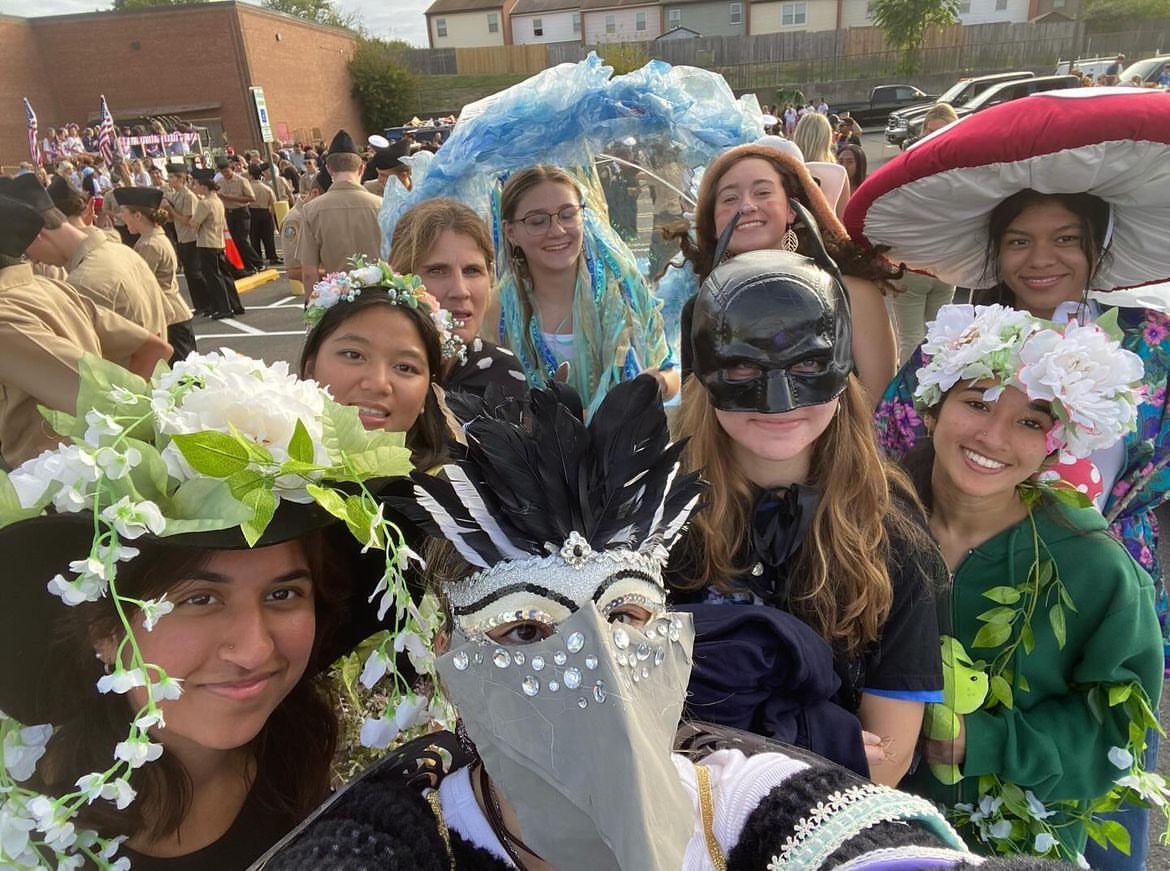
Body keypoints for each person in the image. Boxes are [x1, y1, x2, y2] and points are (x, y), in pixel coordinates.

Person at [254, 375, 1072, 871]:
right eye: (526, 630)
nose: (600, 666)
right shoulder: (398, 828)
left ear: (675, 635)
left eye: (628, 614)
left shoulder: (749, 796)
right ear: (447, 653)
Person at [847, 87, 1170, 869]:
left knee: (1085, 793)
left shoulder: (1153, 343)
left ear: (1098, 245)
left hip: (1089, 583)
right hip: (952, 576)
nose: (1042, 258)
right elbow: (891, 443)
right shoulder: (956, 345)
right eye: (1019, 241)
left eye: (1064, 238)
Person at [0, 348, 420, 869]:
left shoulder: (328, 770)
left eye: (283, 594)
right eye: (200, 599)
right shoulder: (26, 825)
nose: (255, 649)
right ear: (102, 629)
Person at [671, 248, 944, 787]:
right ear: (704, 370)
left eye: (808, 365)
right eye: (743, 366)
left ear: (842, 369)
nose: (778, 402)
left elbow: (885, 761)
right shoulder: (656, 517)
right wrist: (812, 737)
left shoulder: (892, 531)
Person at [901, 303, 1163, 862]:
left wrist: (985, 741)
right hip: (859, 827)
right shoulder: (866, 527)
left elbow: (1120, 730)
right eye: (976, 403)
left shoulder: (1094, 567)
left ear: (1058, 441)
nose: (994, 438)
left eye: (1030, 421)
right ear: (932, 409)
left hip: (1018, 847)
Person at [672, 143, 899, 407]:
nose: (746, 206)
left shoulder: (851, 295)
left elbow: (878, 411)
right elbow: (697, 415)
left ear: (792, 208)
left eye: (762, 192)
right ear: (712, 223)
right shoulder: (701, 309)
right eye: (729, 198)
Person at [0, 195, 171, 466]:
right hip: (86, 473)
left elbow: (100, 396)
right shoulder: (53, 288)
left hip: (52, 483)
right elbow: (154, 348)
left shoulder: (6, 317)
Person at [495, 164, 677, 419]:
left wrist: (655, 385)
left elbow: (668, 370)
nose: (557, 230)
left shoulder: (625, 289)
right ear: (510, 231)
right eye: (537, 221)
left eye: (567, 214)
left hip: (630, 449)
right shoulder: (498, 309)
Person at [298, 259, 460, 471]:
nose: (378, 384)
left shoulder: (453, 495)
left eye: (405, 367)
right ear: (310, 370)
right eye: (353, 355)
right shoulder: (261, 469)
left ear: (428, 392)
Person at [1, 172, 170, 340]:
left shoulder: (82, 283)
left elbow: (91, 356)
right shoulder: (121, 250)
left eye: (27, 251)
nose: (35, 260)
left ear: (38, 234)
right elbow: (167, 314)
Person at [388, 197, 528, 399]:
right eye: (437, 271)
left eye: (472, 270)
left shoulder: (502, 373)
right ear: (400, 278)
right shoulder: (372, 371)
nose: (461, 291)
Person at [117, 186, 198, 362]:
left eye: (123, 212)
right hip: (173, 313)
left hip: (169, 316)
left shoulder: (149, 245)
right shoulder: (152, 238)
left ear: (138, 215)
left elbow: (140, 284)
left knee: (182, 377)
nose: (120, 217)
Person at [298, 130, 383, 284]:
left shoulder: (311, 210)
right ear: (362, 168)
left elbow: (310, 272)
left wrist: (313, 305)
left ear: (329, 169)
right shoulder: (381, 205)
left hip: (337, 297)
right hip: (379, 296)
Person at [181, 168, 245, 320]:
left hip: (206, 243)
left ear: (204, 186)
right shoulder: (217, 200)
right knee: (225, 275)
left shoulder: (205, 203)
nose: (194, 187)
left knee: (214, 278)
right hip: (218, 241)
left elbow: (193, 223)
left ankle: (224, 308)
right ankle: (236, 305)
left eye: (196, 184)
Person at [162, 166, 212, 316]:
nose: (169, 180)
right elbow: (173, 219)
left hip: (191, 237)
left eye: (172, 177)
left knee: (196, 272)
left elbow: (187, 220)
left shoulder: (188, 196)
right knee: (190, 274)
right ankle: (199, 304)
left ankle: (208, 303)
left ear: (181, 179)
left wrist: (171, 210)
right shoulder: (176, 195)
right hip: (182, 237)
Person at [217, 157, 265, 274]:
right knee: (233, 240)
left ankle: (258, 262)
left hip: (241, 211)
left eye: (227, 171)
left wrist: (230, 198)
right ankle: (245, 265)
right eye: (222, 172)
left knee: (241, 239)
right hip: (229, 213)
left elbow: (251, 198)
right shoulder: (220, 182)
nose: (225, 174)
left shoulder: (241, 181)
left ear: (232, 169)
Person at [247, 164, 281, 266]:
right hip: (265, 212)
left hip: (252, 212)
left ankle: (257, 257)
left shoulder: (248, 187)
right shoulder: (266, 188)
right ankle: (272, 256)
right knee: (268, 237)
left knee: (254, 237)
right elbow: (273, 202)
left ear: (251, 175)